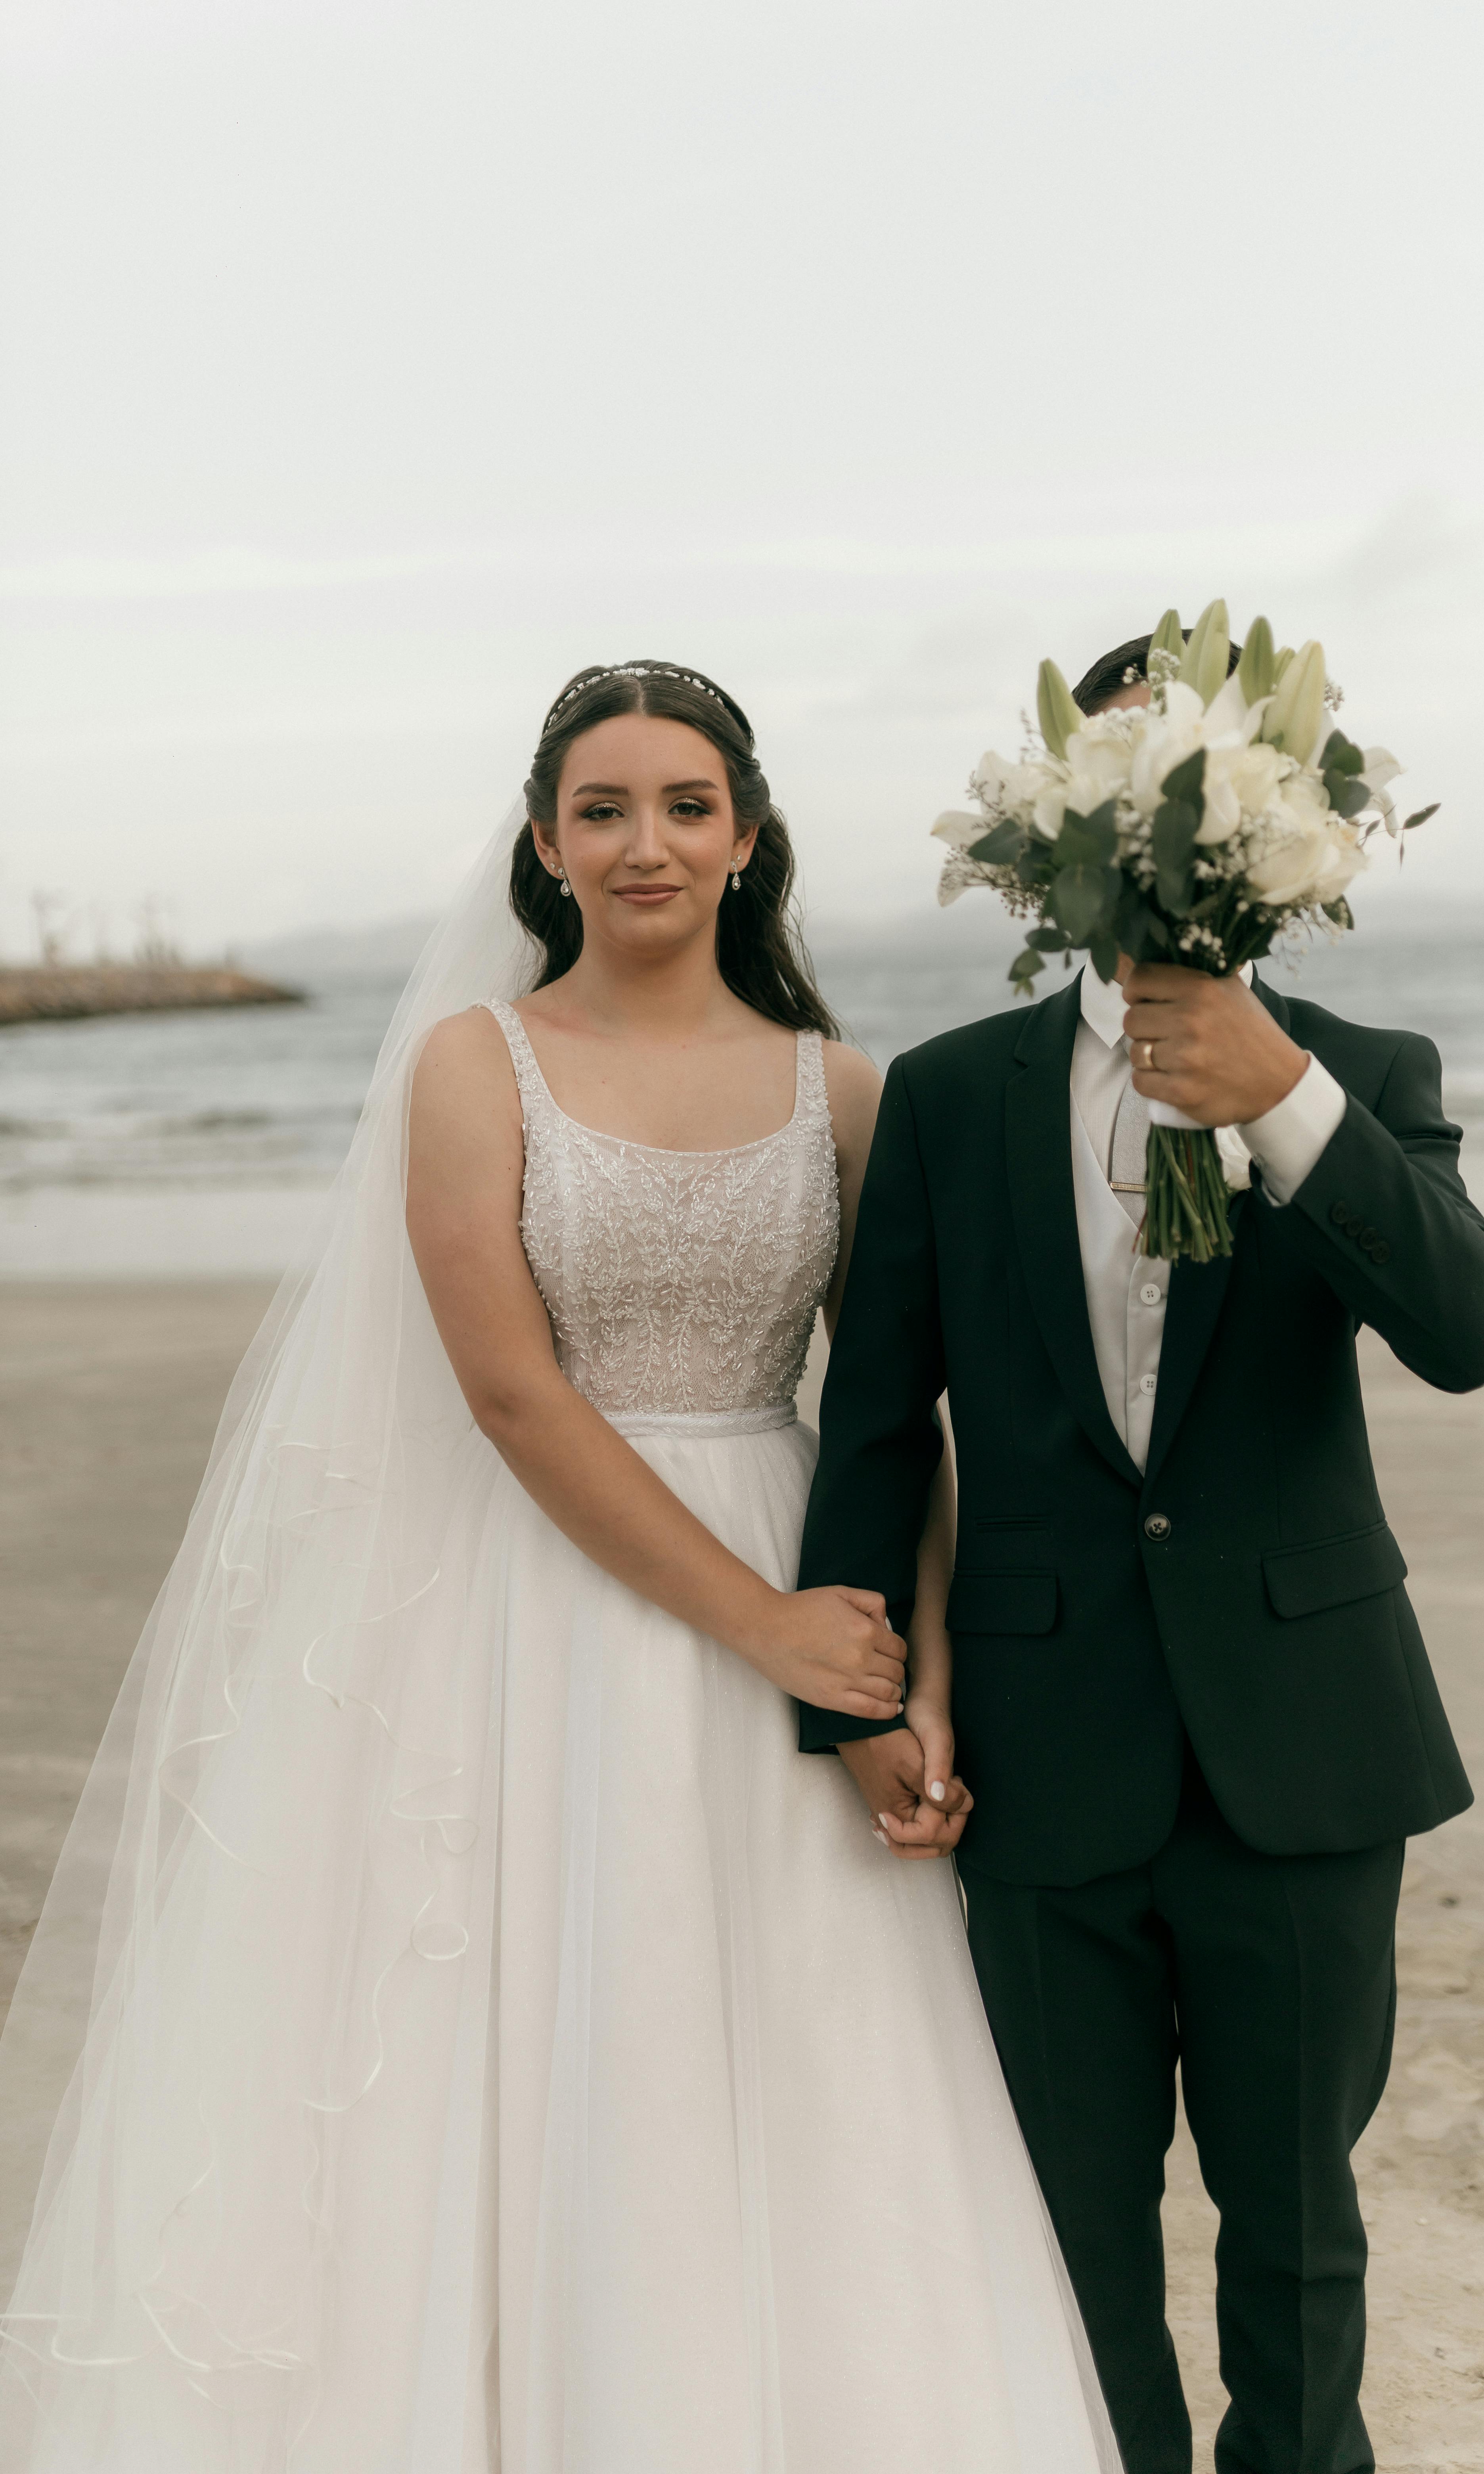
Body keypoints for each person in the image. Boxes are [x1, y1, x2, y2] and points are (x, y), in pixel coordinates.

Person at [0, 661, 1118, 2472]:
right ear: (543, 845)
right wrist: (757, 1623)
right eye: (602, 809)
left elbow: (887, 1416)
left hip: (789, 1567)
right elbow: (512, 1397)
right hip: (532, 1599)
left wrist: (906, 1676)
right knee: (523, 2038)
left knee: (814, 2050)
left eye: (686, 805)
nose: (646, 842)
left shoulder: (841, 1087)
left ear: (747, 839)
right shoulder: (479, 1064)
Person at [797, 630, 1484, 2474]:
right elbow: (881, 1416)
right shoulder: (950, 1100)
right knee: (1068, 2243)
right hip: (1041, 1755)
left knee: (1294, 2237)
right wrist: (863, 1698)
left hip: (1305, 1744)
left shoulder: (1360, 1069)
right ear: (1055, 840)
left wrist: (1278, 1095)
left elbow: (1468, 1329)